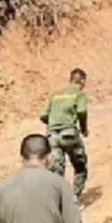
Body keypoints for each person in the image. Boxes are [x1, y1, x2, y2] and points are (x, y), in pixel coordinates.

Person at [41, 68, 90, 201]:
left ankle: (57, 201)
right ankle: (74, 198)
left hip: (52, 137)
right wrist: (84, 128)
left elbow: (43, 115)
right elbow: (81, 111)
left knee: (56, 171)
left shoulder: (56, 95)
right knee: (80, 166)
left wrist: (53, 123)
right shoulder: (79, 94)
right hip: (69, 134)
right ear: (82, 81)